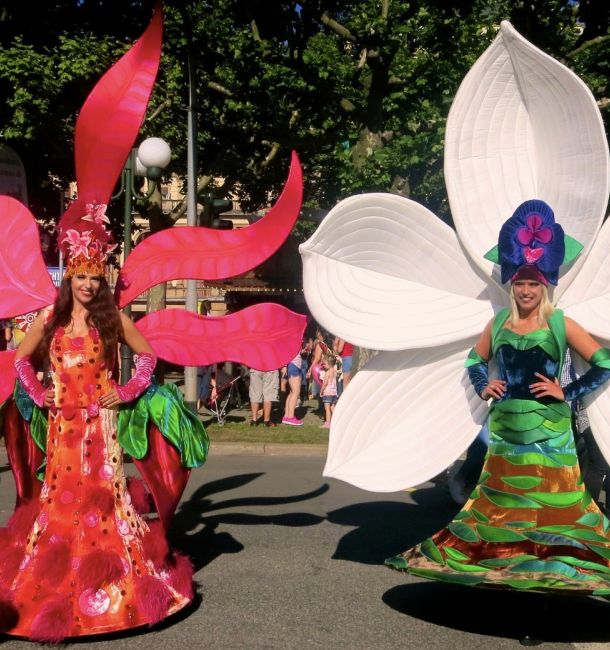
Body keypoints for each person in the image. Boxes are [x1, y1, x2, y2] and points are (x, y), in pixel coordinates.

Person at [387, 200, 610, 593]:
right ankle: (510, 570)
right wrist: (482, 385)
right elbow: (475, 360)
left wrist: (567, 391)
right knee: (503, 506)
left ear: (545, 286)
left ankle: (550, 573)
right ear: (511, 285)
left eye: (533, 284)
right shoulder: (499, 322)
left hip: (550, 433)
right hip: (506, 430)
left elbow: (604, 363)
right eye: (520, 283)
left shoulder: (560, 322)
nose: (526, 290)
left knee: (553, 507)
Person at [2, 210, 196, 641]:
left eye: (95, 278)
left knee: (105, 501)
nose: (88, 285)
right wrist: (38, 392)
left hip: (100, 429)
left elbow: (147, 357)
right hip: (62, 428)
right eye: (81, 277)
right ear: (69, 279)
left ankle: (111, 580)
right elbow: (21, 360)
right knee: (60, 501)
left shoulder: (112, 320)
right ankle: (58, 574)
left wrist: (127, 391)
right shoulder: (49, 320)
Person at [282, 349, 305, 426]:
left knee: (292, 392)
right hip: (293, 366)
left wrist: (302, 351)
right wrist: (285, 366)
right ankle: (291, 417)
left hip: (295, 365)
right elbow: (285, 352)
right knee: (296, 392)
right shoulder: (290, 341)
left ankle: (286, 416)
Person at [319, 353, 339, 429]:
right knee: (333, 408)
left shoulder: (327, 373)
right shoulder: (334, 371)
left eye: (324, 364)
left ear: (329, 364)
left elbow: (325, 384)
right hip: (334, 393)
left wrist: (321, 391)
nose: (323, 365)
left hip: (327, 393)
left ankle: (328, 423)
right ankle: (336, 421)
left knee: (327, 409)